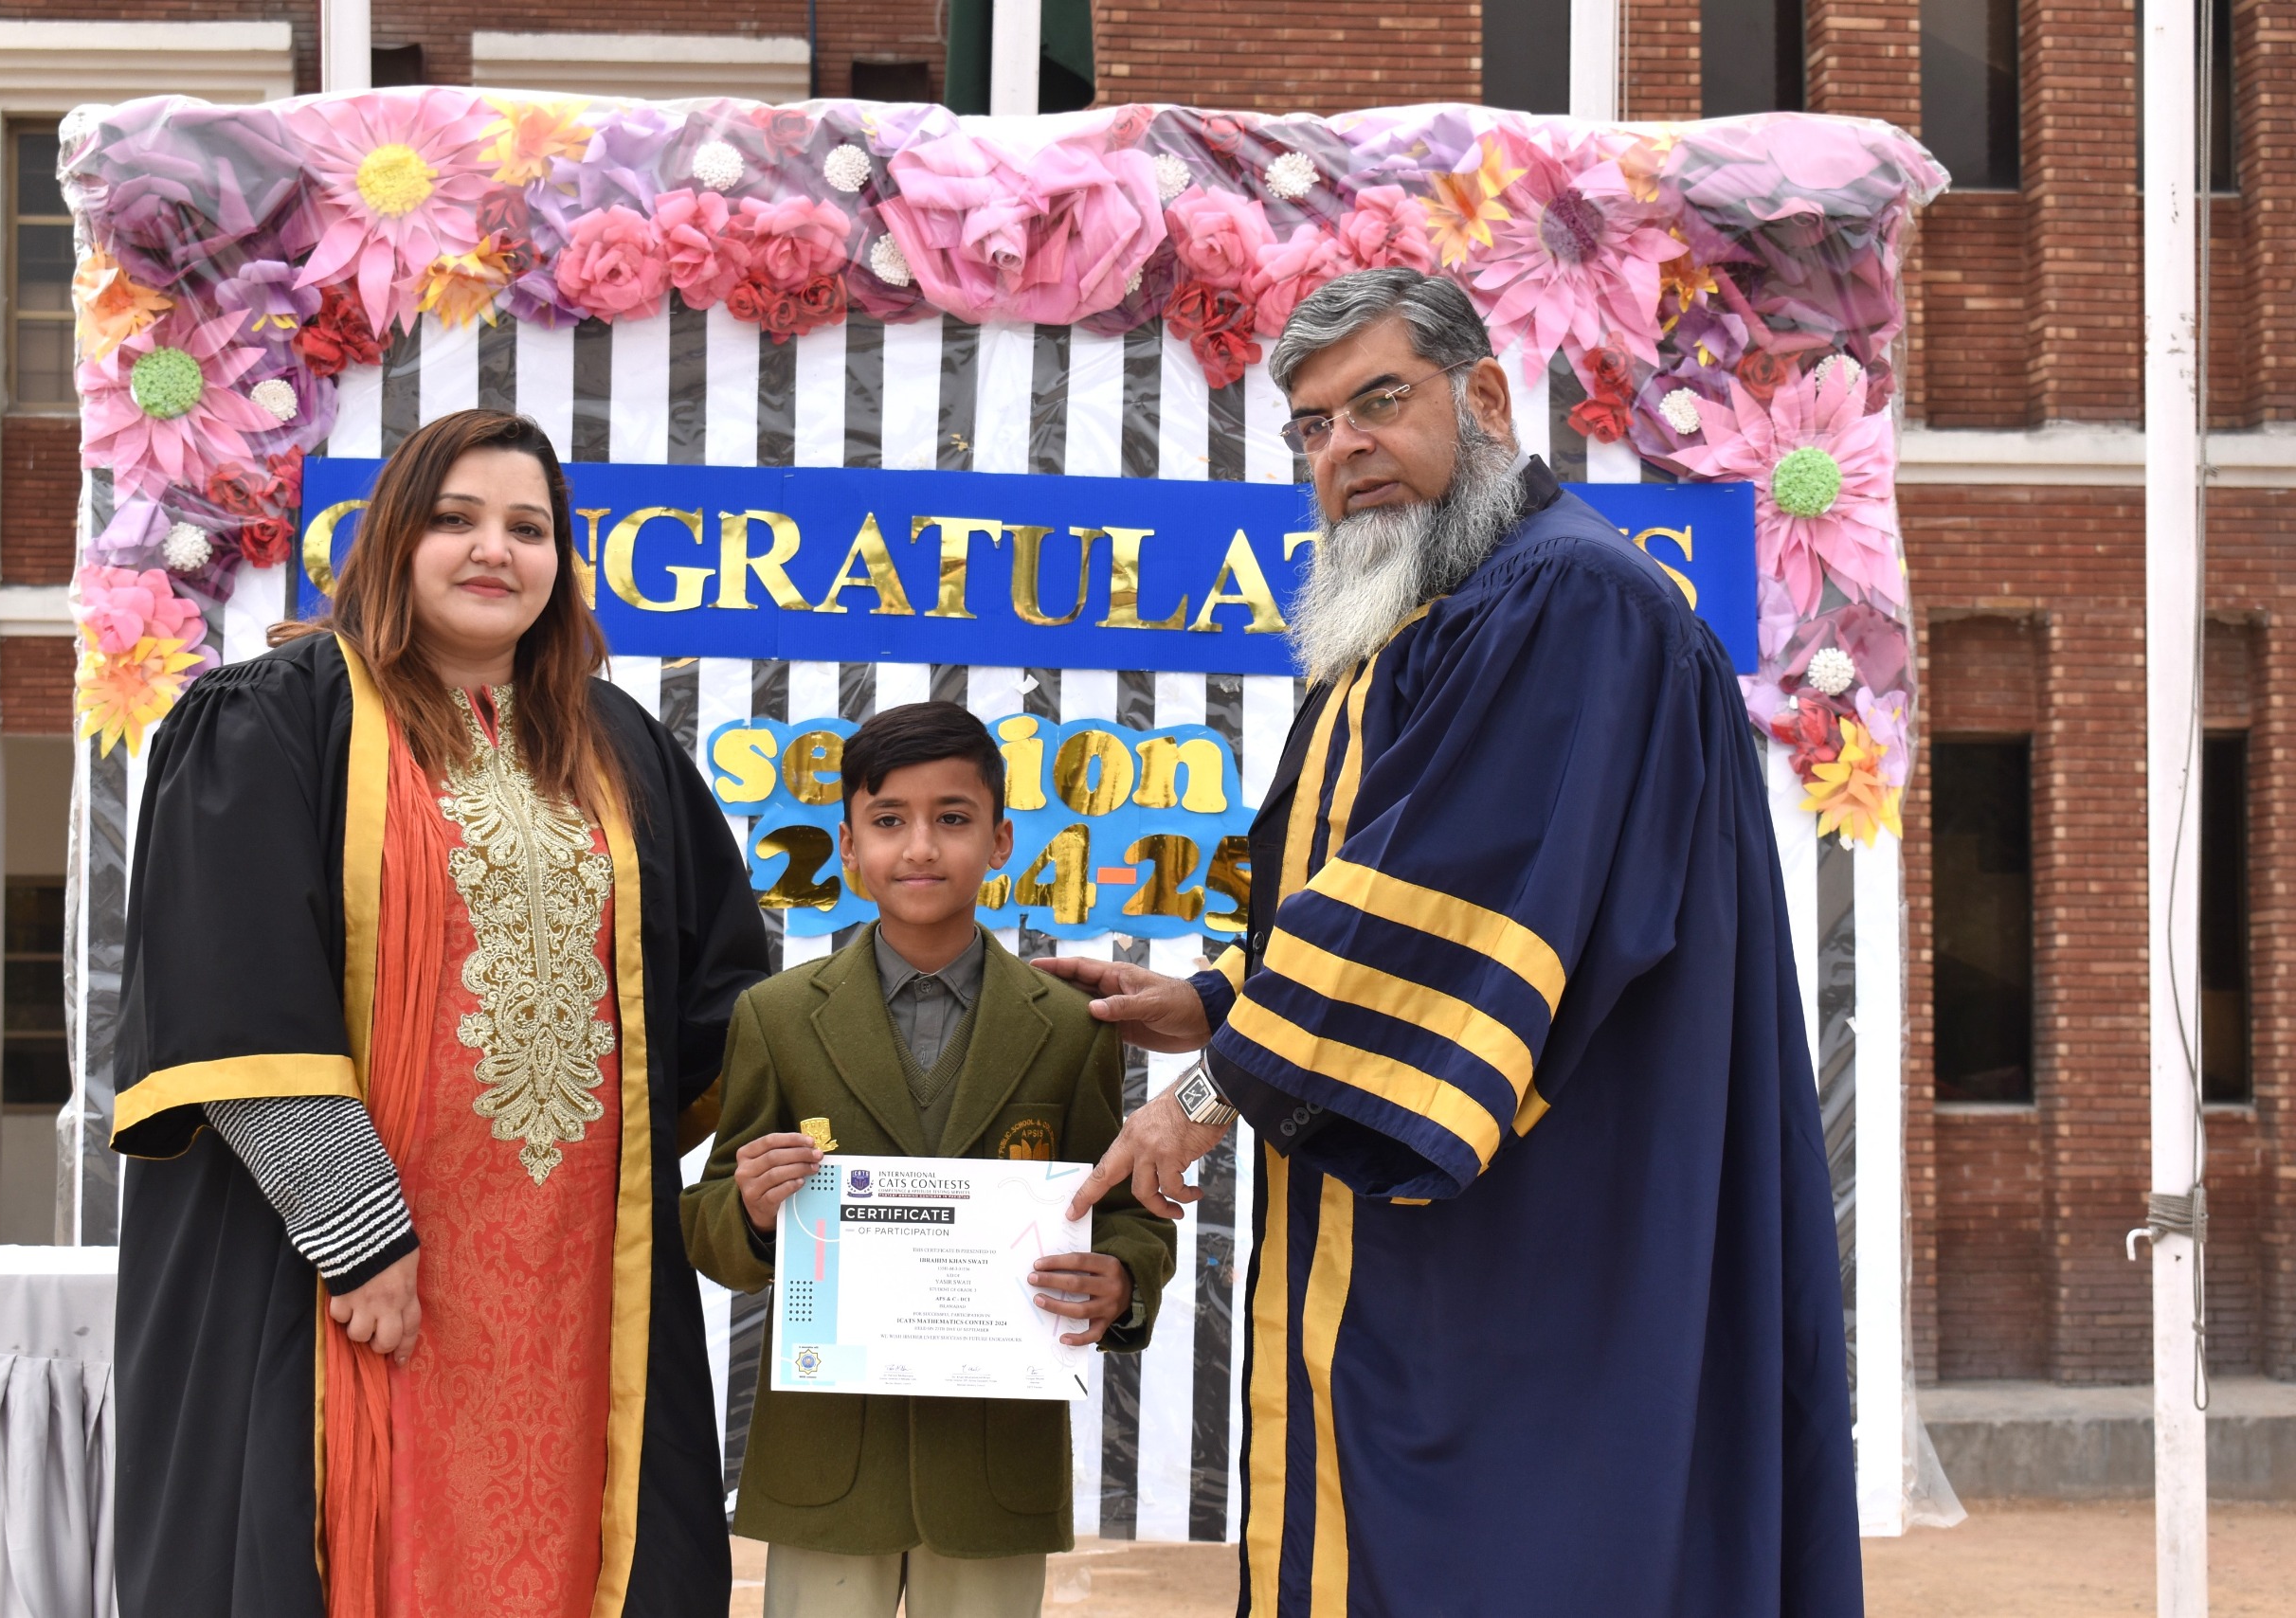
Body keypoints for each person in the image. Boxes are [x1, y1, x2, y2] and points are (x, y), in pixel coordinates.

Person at [1035, 268, 1863, 1616]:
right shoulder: (1439, 607)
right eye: (1313, 427)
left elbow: (1469, 907)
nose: (1344, 449)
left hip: (1542, 1226)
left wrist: (1204, 1094)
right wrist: (1219, 1002)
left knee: (1510, 1553)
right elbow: (1397, 890)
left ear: (1482, 395)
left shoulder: (1569, 603)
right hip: (1474, 1225)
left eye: (1379, 402)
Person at [110, 408, 768, 1618]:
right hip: (345, 1263)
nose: (494, 550)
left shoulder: (619, 746)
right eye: (456, 518)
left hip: (577, 1269)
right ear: (393, 538)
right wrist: (355, 1232)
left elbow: (720, 1000)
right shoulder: (275, 714)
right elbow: (234, 983)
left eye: (529, 528)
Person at [682, 702, 1178, 1618]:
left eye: (952, 817)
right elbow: (710, 1220)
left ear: (1001, 840)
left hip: (994, 1464)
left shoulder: (1073, 1029)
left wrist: (1123, 1281)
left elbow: (1123, 1208)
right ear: (848, 845)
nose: (920, 846)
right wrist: (748, 1208)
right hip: (827, 1461)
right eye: (888, 820)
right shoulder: (776, 1018)